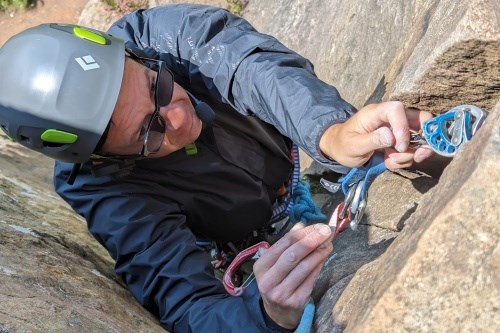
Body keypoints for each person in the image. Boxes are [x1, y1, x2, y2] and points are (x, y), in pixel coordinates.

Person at [0, 4, 433, 332]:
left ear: (132, 56)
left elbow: (248, 66)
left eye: (160, 86)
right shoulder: (102, 189)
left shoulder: (159, 38)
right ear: (103, 158)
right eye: (149, 132)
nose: (179, 117)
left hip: (292, 151)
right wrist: (264, 311)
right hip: (244, 230)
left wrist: (331, 131)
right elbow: (187, 304)